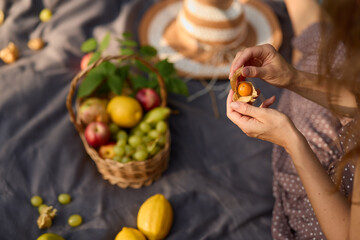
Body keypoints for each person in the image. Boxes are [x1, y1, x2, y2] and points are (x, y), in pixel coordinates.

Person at [226, 0, 360, 239]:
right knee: (329, 53)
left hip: (327, 219)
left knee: (326, 54)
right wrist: (292, 77)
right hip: (348, 153)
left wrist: (292, 142)